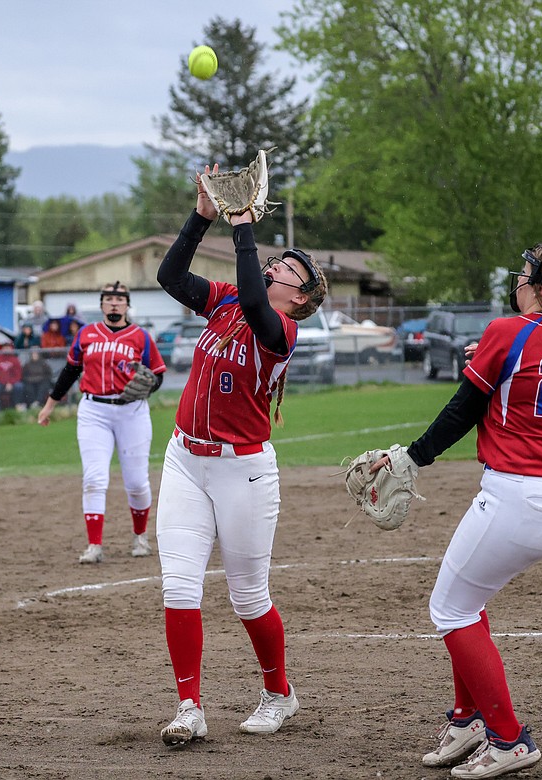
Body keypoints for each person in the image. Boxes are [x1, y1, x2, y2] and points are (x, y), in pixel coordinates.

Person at [369, 244, 542, 779]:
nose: (517, 281)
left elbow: (463, 410)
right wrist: (492, 355)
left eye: (524, 276)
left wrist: (412, 456)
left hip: (522, 496)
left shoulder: (508, 331)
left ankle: (508, 738)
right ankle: (466, 719)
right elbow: (528, 373)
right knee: (469, 599)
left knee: (449, 610)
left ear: (539, 288)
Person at [152, 165, 328, 746]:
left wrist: (245, 225)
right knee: (179, 586)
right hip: (184, 459)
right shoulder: (226, 302)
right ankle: (189, 707)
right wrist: (202, 216)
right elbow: (170, 274)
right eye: (277, 260)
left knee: (248, 596)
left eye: (289, 269)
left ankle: (280, 692)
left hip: (242, 470)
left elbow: (256, 299)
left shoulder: (279, 328)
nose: (276, 265)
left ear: (298, 296)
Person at [36, 281, 167, 564]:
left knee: (136, 483)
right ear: (101, 305)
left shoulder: (141, 337)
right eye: (109, 299)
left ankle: (140, 536)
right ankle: (94, 545)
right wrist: (50, 406)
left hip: (131, 411)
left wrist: (149, 386)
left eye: (119, 300)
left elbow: (157, 375)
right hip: (94, 411)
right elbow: (70, 371)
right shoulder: (87, 334)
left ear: (127, 305)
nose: (114, 304)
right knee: (94, 479)